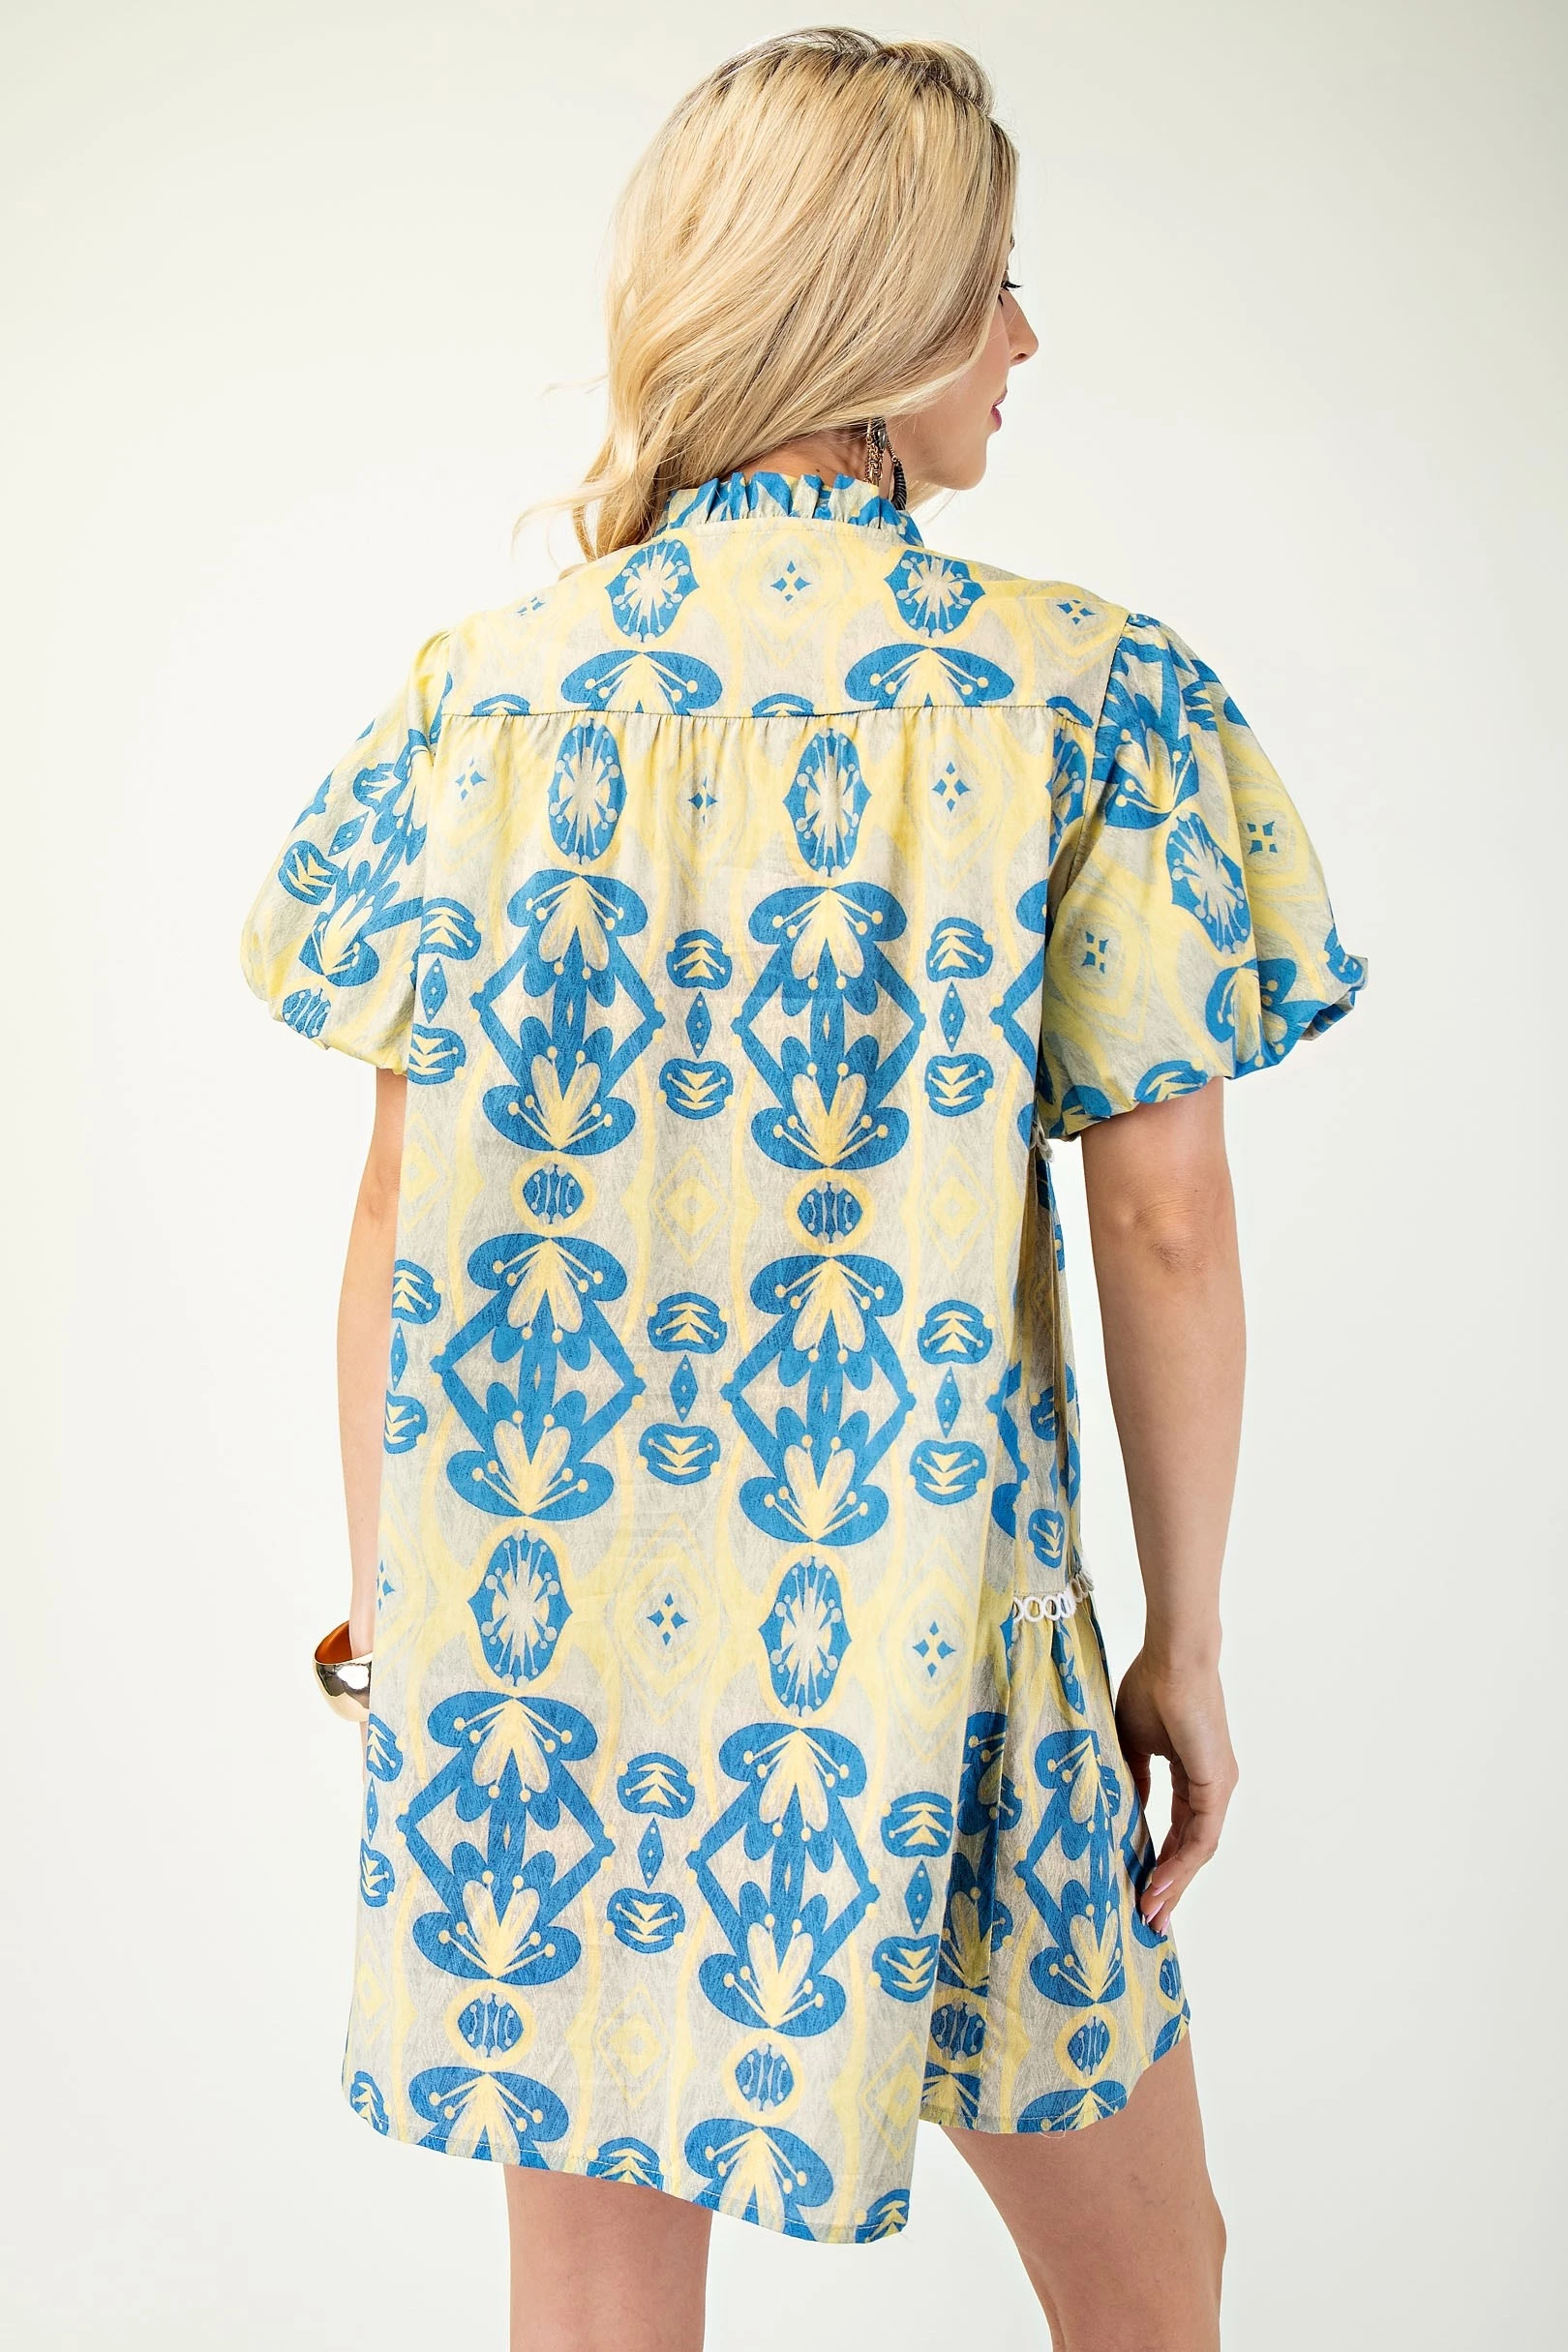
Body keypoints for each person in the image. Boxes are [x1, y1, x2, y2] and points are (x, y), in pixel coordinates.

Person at [238, 28, 1368, 2352]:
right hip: (938, 1626)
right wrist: (1181, 1646)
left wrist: (401, 1614)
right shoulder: (1083, 695)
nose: (1027, 338)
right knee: (1153, 2289)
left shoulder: (481, 701)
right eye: (997, 284)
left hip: (535, 1648)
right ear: (878, 314)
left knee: (595, 2320)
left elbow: (391, 1217)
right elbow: (1164, 1221)